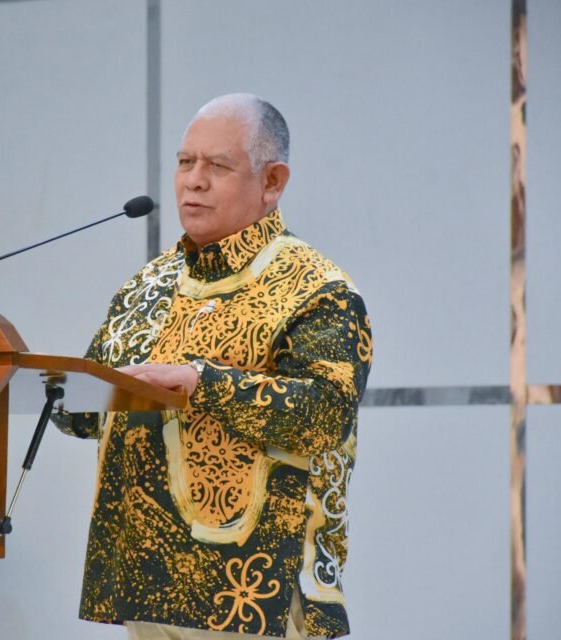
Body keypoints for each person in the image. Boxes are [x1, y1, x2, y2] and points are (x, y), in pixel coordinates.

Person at [53, 94, 372, 639]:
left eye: (218, 166)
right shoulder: (147, 286)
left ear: (272, 181)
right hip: (145, 582)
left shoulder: (319, 290)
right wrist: (51, 392)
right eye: (185, 162)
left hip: (252, 590)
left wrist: (203, 384)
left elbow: (324, 415)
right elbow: (90, 411)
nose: (193, 181)